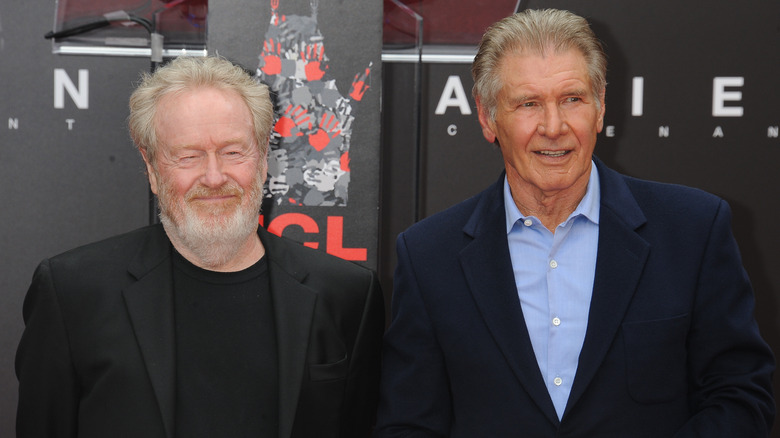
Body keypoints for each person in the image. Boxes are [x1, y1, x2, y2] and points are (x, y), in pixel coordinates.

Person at [375, 9, 774, 437]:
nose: (554, 127)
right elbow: (408, 424)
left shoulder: (693, 230)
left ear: (600, 107)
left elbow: (740, 399)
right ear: (488, 118)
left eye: (572, 99)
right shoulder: (428, 257)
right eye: (529, 104)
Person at [16, 56, 384, 438]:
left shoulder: (345, 294)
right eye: (188, 156)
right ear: (152, 168)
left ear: (261, 162)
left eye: (232, 152)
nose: (213, 177)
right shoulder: (72, 292)